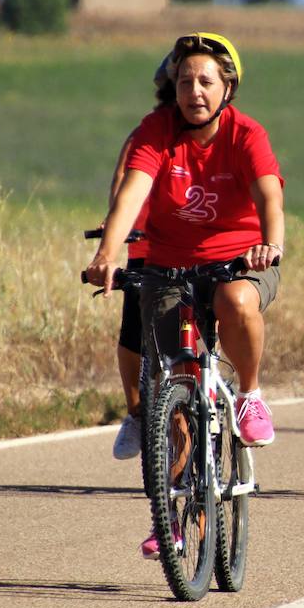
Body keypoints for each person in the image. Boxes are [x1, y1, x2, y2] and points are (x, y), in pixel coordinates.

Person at [85, 32, 284, 559]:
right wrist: (108, 253)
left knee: (236, 303)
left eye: (205, 81)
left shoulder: (247, 134)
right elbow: (130, 194)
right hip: (169, 263)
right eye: (184, 81)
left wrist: (271, 244)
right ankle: (171, 519)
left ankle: (250, 396)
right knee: (171, 387)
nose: (194, 91)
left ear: (227, 88)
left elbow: (270, 194)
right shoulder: (156, 130)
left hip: (239, 260)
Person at [108, 58, 171, 461]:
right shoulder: (146, 134)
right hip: (147, 251)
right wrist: (114, 227)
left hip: (198, 251)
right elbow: (121, 184)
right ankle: (135, 410)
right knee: (132, 334)